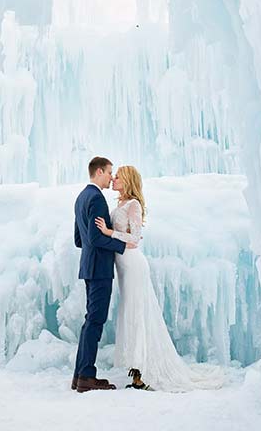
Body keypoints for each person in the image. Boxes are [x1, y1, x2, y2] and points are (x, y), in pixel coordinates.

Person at [95, 165, 225, 392]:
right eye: (113, 176)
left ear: (128, 180)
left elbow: (135, 238)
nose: (113, 179)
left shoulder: (133, 204)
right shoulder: (120, 204)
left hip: (133, 264)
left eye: (118, 177)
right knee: (130, 312)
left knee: (138, 312)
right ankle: (136, 367)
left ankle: (141, 372)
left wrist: (108, 232)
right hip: (123, 266)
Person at [71, 156, 134, 393]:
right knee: (95, 321)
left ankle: (79, 375)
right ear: (99, 172)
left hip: (89, 266)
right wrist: (121, 245)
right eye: (109, 172)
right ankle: (87, 376)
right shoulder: (97, 198)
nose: (111, 177)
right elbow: (96, 238)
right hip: (99, 269)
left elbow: (80, 240)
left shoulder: (81, 197)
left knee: (90, 320)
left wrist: (98, 241)